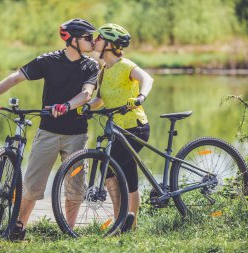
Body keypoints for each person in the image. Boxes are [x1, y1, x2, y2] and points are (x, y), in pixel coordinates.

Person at [0, 18, 99, 240]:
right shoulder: (48, 61)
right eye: (87, 37)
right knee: (32, 185)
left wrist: (67, 105)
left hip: (77, 136)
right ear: (72, 40)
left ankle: (68, 231)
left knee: (75, 187)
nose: (92, 41)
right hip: (48, 133)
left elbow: (87, 93)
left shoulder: (91, 66)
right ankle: (19, 226)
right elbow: (16, 78)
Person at [80, 23, 153, 232]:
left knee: (109, 169)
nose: (95, 41)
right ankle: (127, 223)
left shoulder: (125, 65)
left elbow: (147, 79)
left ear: (110, 44)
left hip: (135, 128)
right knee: (128, 176)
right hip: (116, 131)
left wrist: (141, 96)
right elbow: (100, 99)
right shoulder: (104, 71)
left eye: (100, 38)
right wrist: (87, 107)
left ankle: (122, 219)